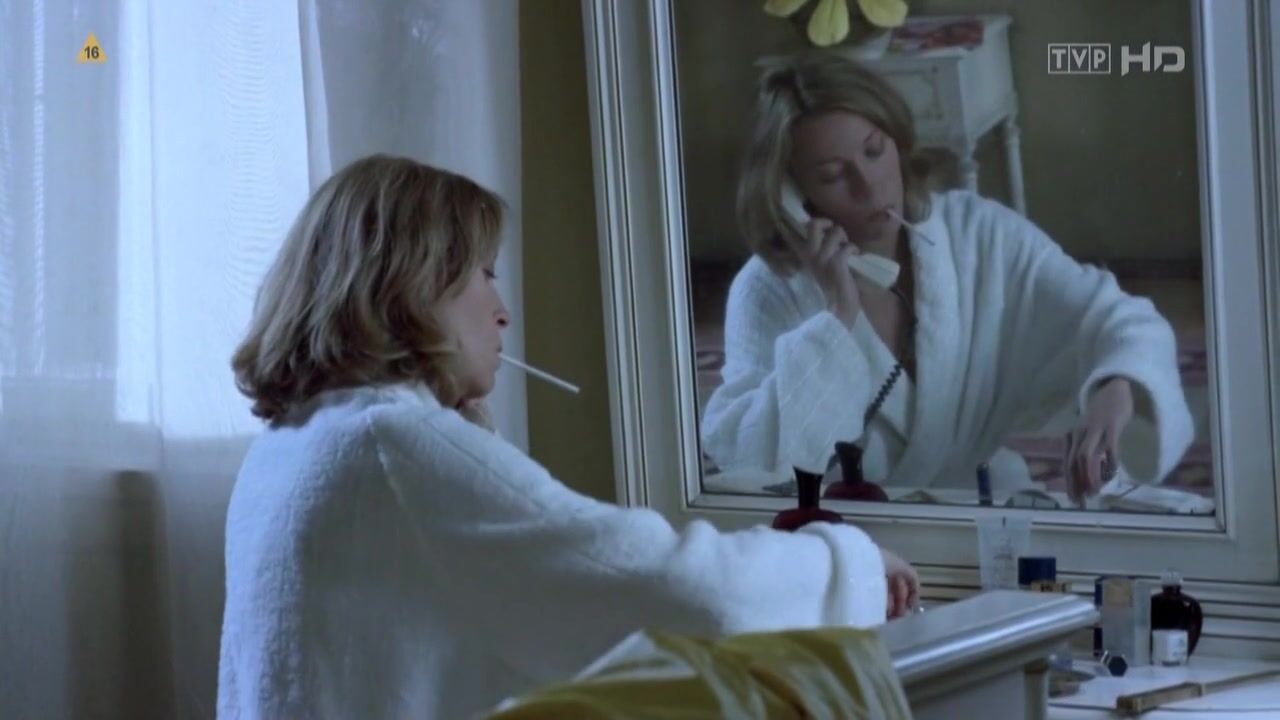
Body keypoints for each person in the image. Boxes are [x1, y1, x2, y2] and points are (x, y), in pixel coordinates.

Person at [217, 154, 919, 719]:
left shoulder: (290, 447)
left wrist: (470, 437)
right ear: (414, 284)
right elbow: (679, 592)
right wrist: (850, 565)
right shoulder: (393, 443)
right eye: (484, 275)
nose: (502, 312)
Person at [700, 52, 1194, 502]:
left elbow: (1115, 316)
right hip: (852, 535)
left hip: (977, 505)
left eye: (874, 151)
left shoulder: (976, 233)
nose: (868, 186)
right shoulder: (767, 290)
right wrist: (836, 318)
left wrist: (1114, 385)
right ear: (793, 193)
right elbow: (755, 467)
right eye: (833, 175)